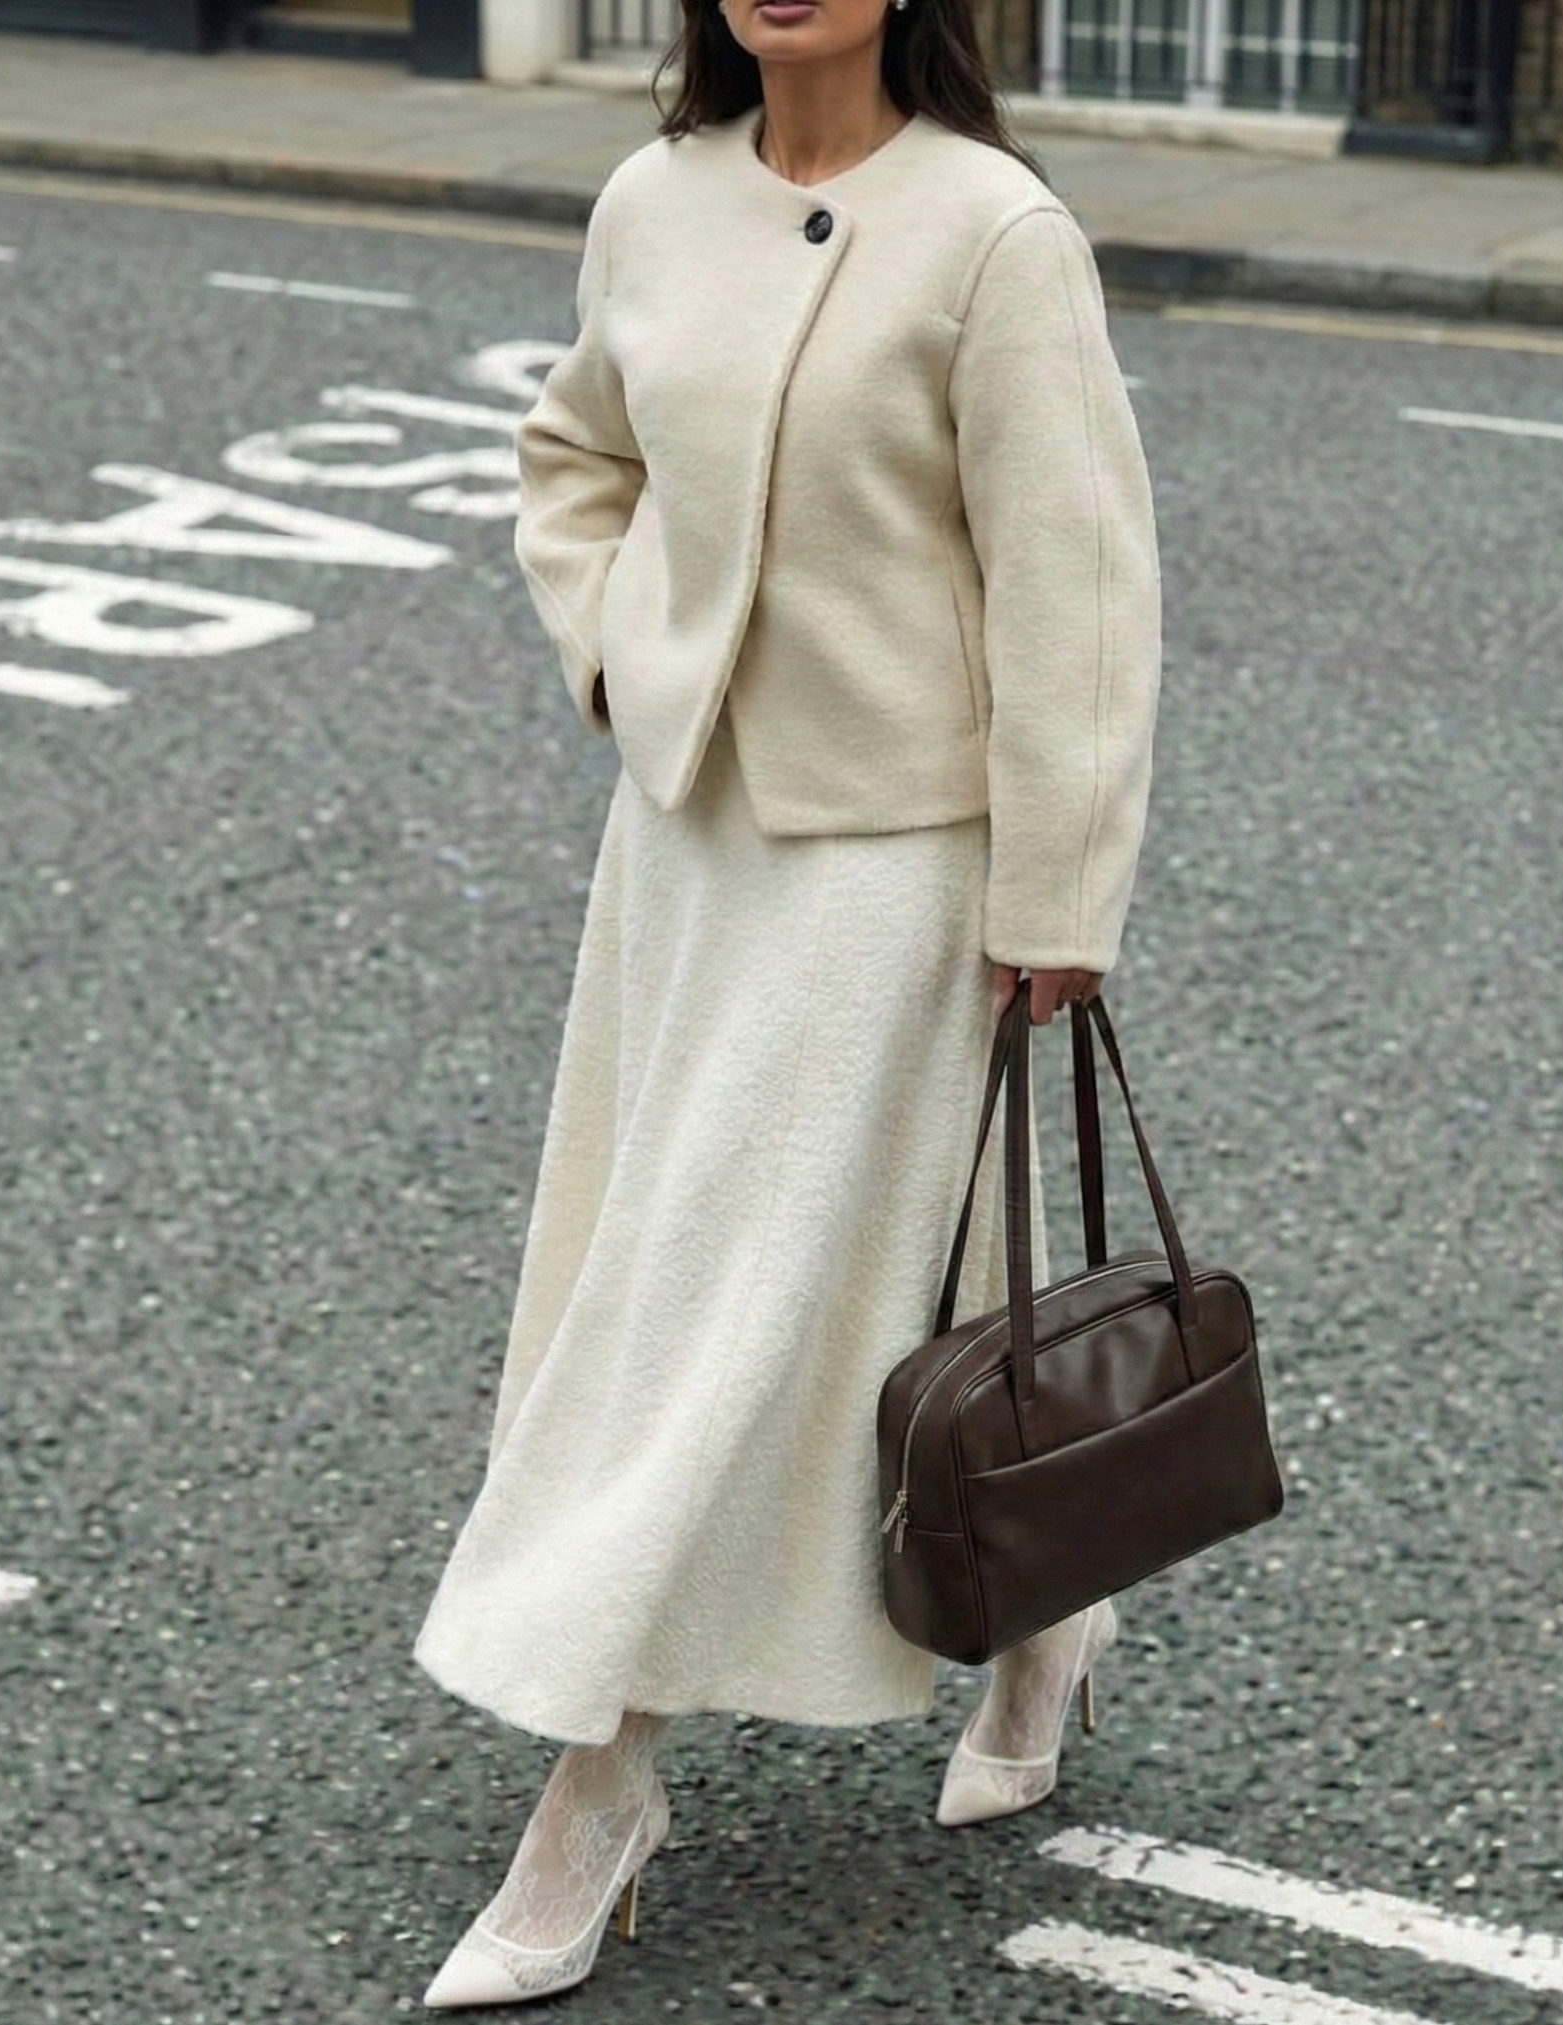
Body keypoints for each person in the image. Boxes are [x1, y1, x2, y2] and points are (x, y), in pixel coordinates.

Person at [411, 0, 1162, 2000]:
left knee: (725, 1311)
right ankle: (1044, 1608)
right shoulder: (651, 201)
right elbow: (573, 457)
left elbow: (1074, 579)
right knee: (864, 1276)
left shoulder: (993, 230)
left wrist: (1057, 889)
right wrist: (614, 656)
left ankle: (598, 1776)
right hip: (688, 848)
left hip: (897, 860)